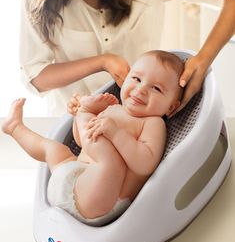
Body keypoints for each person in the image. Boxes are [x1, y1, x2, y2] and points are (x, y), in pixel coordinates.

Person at [2, 50, 183, 226]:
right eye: (136, 79)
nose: (141, 89)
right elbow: (83, 142)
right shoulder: (113, 108)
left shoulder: (153, 123)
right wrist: (77, 121)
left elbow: (145, 164)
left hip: (102, 201)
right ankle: (15, 128)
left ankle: (84, 112)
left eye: (157, 88)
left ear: (171, 107)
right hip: (72, 178)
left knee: (112, 162)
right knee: (54, 149)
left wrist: (115, 132)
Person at [20, 0, 235, 116]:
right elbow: (35, 75)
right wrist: (101, 62)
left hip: (140, 124)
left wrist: (204, 58)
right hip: (72, 127)